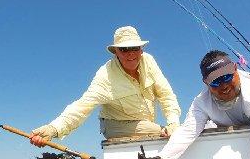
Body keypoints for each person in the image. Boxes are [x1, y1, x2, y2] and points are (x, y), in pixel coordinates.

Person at [30, 26, 181, 147]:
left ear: (141, 49)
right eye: (124, 49)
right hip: (115, 125)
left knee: (173, 130)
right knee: (163, 133)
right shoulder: (105, 76)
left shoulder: (149, 61)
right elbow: (81, 107)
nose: (130, 54)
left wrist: (173, 122)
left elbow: (166, 95)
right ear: (115, 52)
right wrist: (53, 129)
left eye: (134, 48)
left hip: (145, 124)